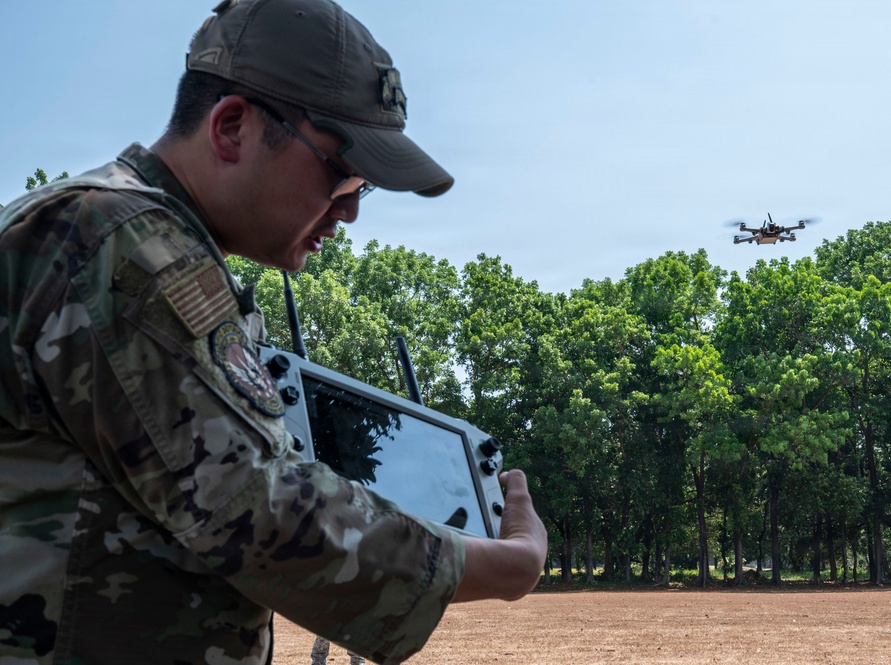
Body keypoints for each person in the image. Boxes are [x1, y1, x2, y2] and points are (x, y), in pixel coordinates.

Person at [0, 1, 547, 663]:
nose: (350, 210)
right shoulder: (125, 247)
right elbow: (256, 509)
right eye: (341, 170)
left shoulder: (119, 234)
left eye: (364, 186)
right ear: (232, 127)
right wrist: (505, 564)